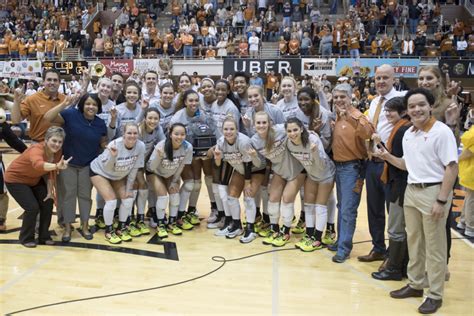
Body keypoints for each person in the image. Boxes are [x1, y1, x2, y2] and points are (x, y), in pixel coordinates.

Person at [378, 89, 458, 315]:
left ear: (430, 106)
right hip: (412, 190)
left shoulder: (441, 132)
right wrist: (386, 156)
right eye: (412, 106)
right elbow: (406, 164)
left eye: (421, 104)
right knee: (414, 241)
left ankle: (434, 294)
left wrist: (442, 200)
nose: (416, 109)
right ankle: (415, 283)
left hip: (434, 191)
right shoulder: (409, 133)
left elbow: (451, 167)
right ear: (407, 110)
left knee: (435, 245)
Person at [44, 93, 108, 242]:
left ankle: (85, 226)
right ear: (82, 105)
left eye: (94, 104)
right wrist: (64, 104)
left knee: (85, 197)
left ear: (98, 107)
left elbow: (103, 142)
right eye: (88, 103)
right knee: (68, 197)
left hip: (88, 166)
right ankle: (67, 228)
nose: (91, 107)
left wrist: (109, 148)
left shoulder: (100, 123)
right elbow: (48, 118)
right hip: (68, 165)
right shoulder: (71, 114)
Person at [358, 64, 405, 264]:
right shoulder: (374, 102)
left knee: (393, 211)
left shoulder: (403, 99)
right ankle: (378, 248)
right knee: (374, 208)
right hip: (372, 162)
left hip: (392, 163)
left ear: (394, 79)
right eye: (378, 78)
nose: (381, 81)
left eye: (385, 77)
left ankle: (395, 257)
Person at [329, 83, 375, 263]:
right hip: (339, 167)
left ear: (351, 98)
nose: (339, 100)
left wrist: (350, 116)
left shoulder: (357, 115)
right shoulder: (338, 116)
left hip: (353, 168)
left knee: (348, 209)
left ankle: (344, 248)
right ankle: (340, 241)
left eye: (343, 97)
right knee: (342, 206)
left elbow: (368, 133)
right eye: (337, 97)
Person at [5, 127, 71, 248]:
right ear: (46, 140)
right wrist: (56, 166)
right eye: (54, 141)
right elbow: (38, 165)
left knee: (47, 202)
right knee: (32, 208)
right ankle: (26, 238)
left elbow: (50, 173)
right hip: (15, 180)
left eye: (60, 142)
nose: (57, 144)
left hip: (33, 180)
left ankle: (44, 236)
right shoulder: (36, 149)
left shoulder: (57, 152)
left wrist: (50, 192)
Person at [371, 97, 411, 281]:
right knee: (399, 227)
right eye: (386, 110)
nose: (387, 114)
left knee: (396, 229)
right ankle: (400, 267)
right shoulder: (402, 127)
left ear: (402, 112)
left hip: (399, 185)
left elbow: (398, 160)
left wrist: (382, 149)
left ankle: (393, 269)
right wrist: (381, 145)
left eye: (391, 110)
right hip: (399, 183)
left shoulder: (402, 130)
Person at [251, 111, 305, 247]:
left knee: (287, 199)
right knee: (273, 198)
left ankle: (286, 232)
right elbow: (260, 164)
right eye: (258, 123)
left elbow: (298, 130)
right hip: (279, 170)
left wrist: (311, 135)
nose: (261, 125)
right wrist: (254, 157)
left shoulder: (280, 130)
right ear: (254, 125)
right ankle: (274, 230)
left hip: (297, 169)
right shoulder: (254, 141)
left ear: (270, 123)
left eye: (264, 122)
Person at [89, 123, 146, 244]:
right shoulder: (114, 145)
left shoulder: (141, 146)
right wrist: (113, 157)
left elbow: (134, 168)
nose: (132, 136)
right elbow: (107, 166)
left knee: (128, 198)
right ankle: (109, 231)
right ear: (123, 134)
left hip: (118, 174)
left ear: (139, 134)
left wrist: (129, 187)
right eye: (129, 133)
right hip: (100, 171)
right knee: (111, 201)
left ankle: (121, 227)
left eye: (135, 133)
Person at [285, 117, 335, 252]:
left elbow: (321, 164)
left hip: (325, 173)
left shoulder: (312, 140)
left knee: (320, 206)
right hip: (311, 174)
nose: (292, 133)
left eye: (295, 129)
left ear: (302, 129)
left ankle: (318, 238)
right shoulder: (289, 144)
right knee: (308, 205)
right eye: (289, 131)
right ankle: (309, 235)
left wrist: (314, 153)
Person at [214, 117, 265, 243]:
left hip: (255, 168)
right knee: (231, 196)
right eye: (226, 129)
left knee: (248, 197)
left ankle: (251, 229)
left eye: (232, 129)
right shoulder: (220, 142)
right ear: (222, 130)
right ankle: (237, 226)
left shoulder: (243, 141)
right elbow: (219, 164)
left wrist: (247, 183)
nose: (228, 132)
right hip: (241, 169)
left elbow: (248, 164)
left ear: (237, 130)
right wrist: (218, 158)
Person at [147, 123, 193, 237]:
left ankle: (172, 222)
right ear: (170, 134)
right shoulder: (161, 146)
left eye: (182, 134)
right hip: (155, 172)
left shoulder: (188, 147)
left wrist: (174, 181)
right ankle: (161, 224)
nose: (179, 137)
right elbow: (151, 167)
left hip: (171, 173)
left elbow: (181, 166)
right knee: (163, 197)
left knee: (174, 194)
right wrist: (159, 156)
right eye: (176, 134)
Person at [457, 126, 474, 237]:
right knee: (472, 199)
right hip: (471, 170)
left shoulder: (472, 130)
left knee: (469, 197)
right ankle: (471, 226)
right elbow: (470, 152)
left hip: (467, 169)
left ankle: (462, 222)